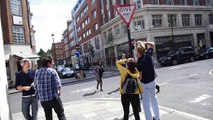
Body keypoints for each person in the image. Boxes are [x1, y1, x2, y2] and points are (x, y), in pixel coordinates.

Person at [136, 41, 160, 120]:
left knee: (146, 103)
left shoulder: (139, 62)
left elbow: (140, 77)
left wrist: (136, 77)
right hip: (152, 81)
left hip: (144, 84)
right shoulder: (148, 54)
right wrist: (144, 42)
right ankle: (157, 118)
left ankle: (149, 118)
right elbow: (153, 44)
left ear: (137, 51)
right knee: (154, 99)